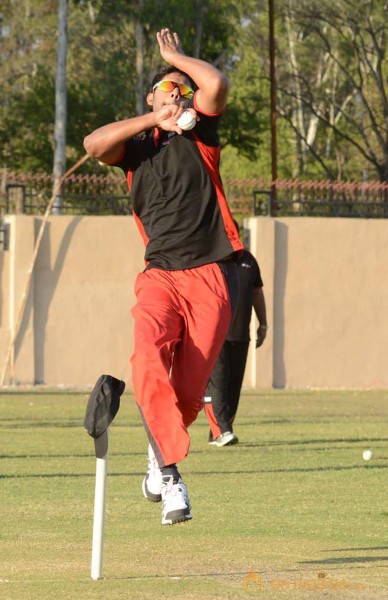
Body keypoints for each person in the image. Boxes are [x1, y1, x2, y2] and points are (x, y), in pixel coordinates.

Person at [83, 28, 242, 525]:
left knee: (189, 393)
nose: (177, 92)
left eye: (181, 88)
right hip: (160, 277)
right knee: (147, 358)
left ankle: (156, 459)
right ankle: (171, 477)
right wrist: (154, 117)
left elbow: (214, 83)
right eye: (166, 86)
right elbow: (93, 144)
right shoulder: (136, 149)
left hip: (210, 277)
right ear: (151, 97)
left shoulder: (202, 135)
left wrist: (176, 58)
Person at [204, 220, 267, 446]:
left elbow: (257, 294)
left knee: (233, 387)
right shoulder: (212, 259)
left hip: (241, 335)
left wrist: (263, 324)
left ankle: (221, 431)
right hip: (215, 334)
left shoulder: (249, 261)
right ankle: (222, 430)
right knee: (217, 384)